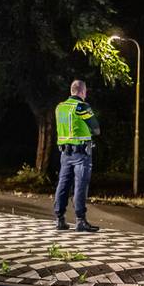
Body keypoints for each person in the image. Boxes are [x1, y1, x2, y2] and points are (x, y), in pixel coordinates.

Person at [53, 79, 100, 232]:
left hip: (65, 153)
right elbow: (95, 128)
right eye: (85, 92)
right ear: (81, 91)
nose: (85, 95)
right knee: (80, 185)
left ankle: (59, 219)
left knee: (63, 184)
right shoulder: (81, 106)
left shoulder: (60, 107)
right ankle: (80, 220)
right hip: (81, 153)